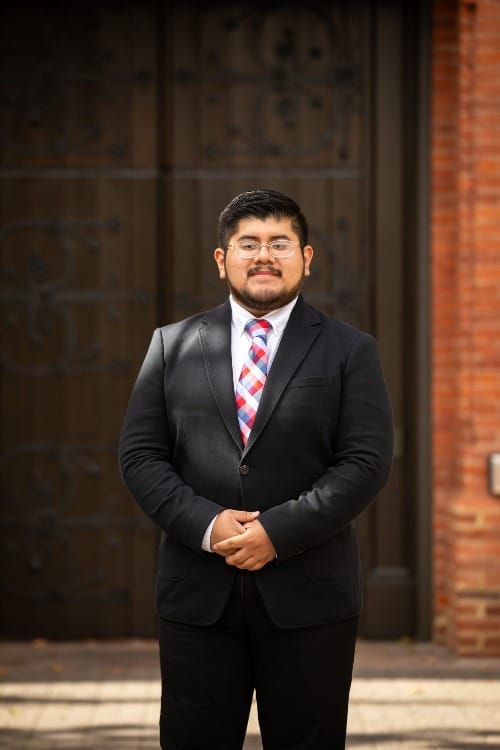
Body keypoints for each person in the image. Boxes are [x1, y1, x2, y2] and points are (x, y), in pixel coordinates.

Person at [119, 188, 393, 750]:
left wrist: (277, 532)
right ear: (222, 260)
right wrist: (207, 525)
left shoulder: (349, 351)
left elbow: (365, 462)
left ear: (306, 257)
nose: (263, 255)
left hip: (311, 600)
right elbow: (141, 456)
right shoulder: (171, 346)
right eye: (248, 243)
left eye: (279, 242)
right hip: (198, 595)